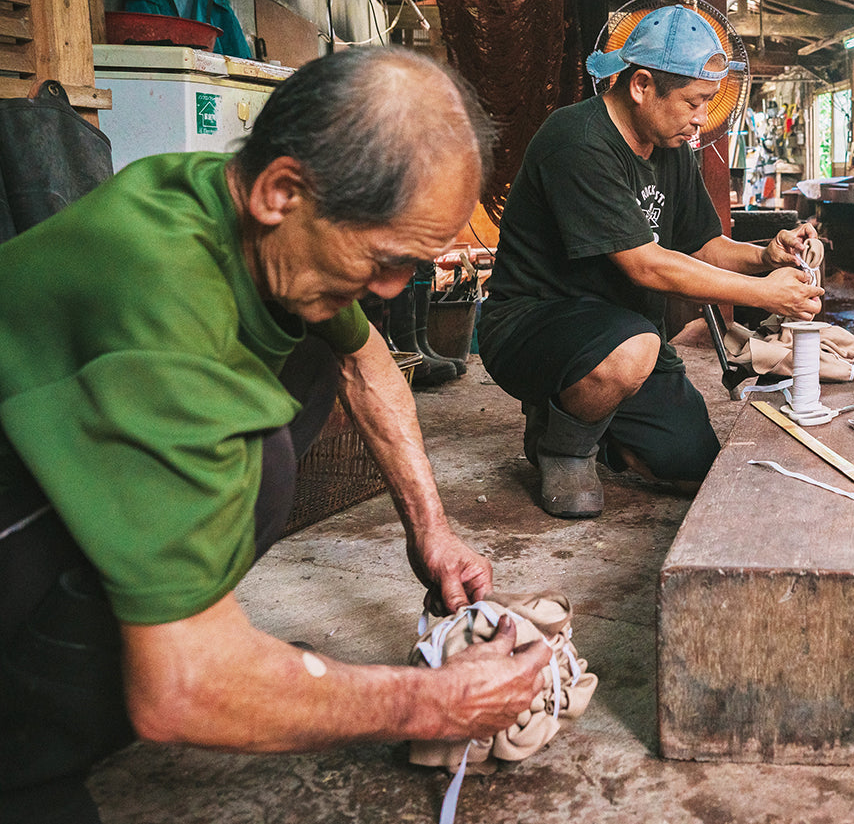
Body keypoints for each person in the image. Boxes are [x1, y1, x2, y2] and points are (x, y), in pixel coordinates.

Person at [0, 48, 552, 823]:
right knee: (249, 473)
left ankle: (137, 629)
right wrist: (430, 702)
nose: (395, 291)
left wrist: (433, 531)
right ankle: (23, 759)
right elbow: (181, 690)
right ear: (282, 189)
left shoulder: (244, 218)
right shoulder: (167, 308)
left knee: (307, 374)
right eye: (389, 260)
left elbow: (367, 365)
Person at [479, 4, 821, 518]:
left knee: (693, 465)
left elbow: (702, 245)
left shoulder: (672, 148)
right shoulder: (577, 140)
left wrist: (765, 258)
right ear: (641, 85)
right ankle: (561, 446)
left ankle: (580, 411)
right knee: (634, 347)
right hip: (532, 324)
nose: (701, 118)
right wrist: (765, 295)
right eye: (694, 101)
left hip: (623, 334)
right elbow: (648, 266)